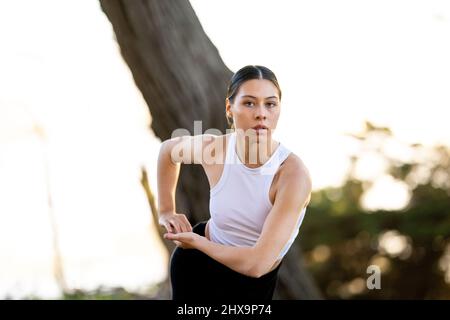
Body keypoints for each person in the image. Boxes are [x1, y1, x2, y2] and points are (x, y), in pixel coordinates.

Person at [156, 65, 312, 301]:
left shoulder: (292, 175)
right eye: (249, 103)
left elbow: (257, 264)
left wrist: (197, 243)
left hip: (249, 285)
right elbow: (168, 151)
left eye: (270, 104)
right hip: (195, 268)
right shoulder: (215, 150)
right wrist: (166, 211)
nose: (261, 113)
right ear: (230, 108)